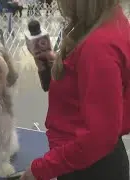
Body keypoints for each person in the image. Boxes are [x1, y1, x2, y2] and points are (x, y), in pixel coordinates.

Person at [21, 0, 130, 179]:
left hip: (87, 165)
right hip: (90, 159)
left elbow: (99, 138)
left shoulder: (98, 47)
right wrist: (63, 66)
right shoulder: (114, 23)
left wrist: (40, 169)